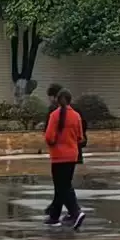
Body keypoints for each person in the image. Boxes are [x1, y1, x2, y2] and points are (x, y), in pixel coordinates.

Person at [41, 84, 88, 229]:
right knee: (63, 185)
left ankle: (75, 212)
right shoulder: (76, 116)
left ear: (57, 99)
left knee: (62, 186)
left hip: (58, 156)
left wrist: (53, 143)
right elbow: (80, 137)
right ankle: (55, 216)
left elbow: (49, 136)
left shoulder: (54, 115)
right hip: (72, 155)